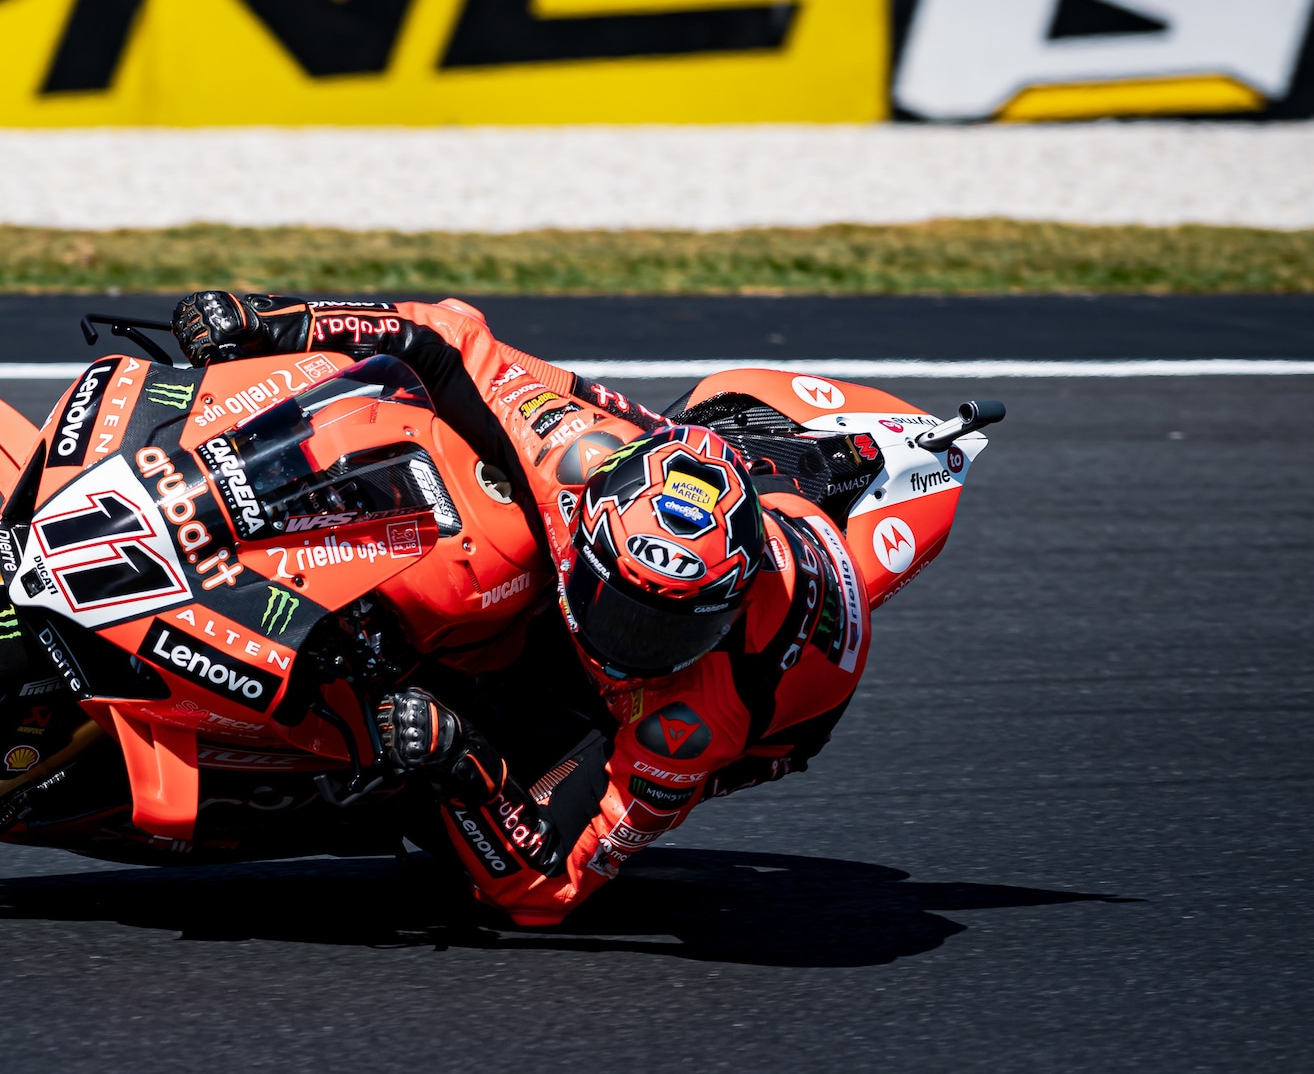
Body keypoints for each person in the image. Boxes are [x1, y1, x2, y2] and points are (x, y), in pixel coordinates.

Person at [170, 289, 869, 926]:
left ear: (722, 612)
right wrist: (275, 321)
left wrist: (462, 759)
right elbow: (445, 336)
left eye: (663, 628)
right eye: (621, 607)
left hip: (671, 711)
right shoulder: (570, 459)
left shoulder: (692, 721)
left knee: (445, 765)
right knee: (465, 488)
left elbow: (549, 888)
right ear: (589, 523)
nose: (630, 640)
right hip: (704, 494)